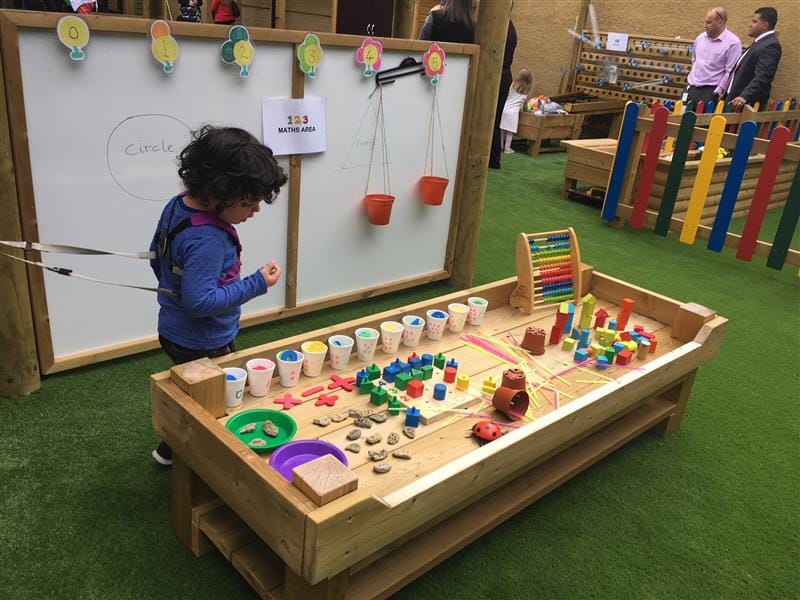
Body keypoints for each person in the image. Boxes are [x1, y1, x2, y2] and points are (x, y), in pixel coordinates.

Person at [149, 126, 287, 467]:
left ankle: (167, 450)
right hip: (203, 340)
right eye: (249, 201)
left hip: (173, 330)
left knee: (194, 394)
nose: (255, 209)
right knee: (216, 401)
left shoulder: (177, 205)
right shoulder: (209, 239)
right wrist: (257, 283)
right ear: (218, 192)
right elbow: (200, 303)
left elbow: (157, 256)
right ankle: (213, 463)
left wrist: (175, 292)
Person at [725, 7, 782, 110]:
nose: (750, 24)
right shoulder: (759, 42)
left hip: (745, 105)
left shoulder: (770, 45)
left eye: (754, 21)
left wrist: (745, 96)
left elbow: (763, 77)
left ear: (764, 25)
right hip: (734, 101)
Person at [685, 7, 741, 107]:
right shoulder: (700, 38)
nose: (705, 26)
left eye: (709, 22)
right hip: (691, 88)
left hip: (710, 91)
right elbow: (695, 61)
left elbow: (730, 72)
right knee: (682, 120)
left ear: (721, 22)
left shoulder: (733, 43)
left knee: (702, 122)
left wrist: (717, 92)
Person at [489, 19, 517, 169]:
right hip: (505, 75)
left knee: (490, 119)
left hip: (497, 75)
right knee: (495, 120)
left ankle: (493, 158)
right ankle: (494, 159)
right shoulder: (511, 27)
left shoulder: (499, 26)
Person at [499, 68, 533, 154]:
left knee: (502, 130)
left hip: (504, 110)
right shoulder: (525, 94)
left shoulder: (511, 87)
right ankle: (507, 148)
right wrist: (529, 112)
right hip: (513, 114)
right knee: (510, 132)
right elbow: (525, 107)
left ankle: (500, 146)